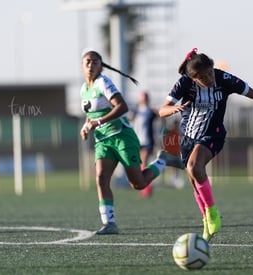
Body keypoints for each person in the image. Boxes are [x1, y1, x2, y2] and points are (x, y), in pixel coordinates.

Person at [158, 48, 253, 241]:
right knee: (194, 179)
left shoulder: (224, 79)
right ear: (194, 78)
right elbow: (161, 110)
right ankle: (206, 220)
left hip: (212, 134)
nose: (209, 79)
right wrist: (173, 108)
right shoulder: (184, 83)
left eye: (210, 73)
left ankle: (213, 213)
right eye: (203, 77)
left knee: (194, 166)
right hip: (188, 137)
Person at [79, 48, 184, 235]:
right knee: (101, 178)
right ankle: (109, 223)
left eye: (95, 62)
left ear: (101, 66)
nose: (91, 65)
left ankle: (163, 161)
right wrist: (87, 126)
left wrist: (98, 121)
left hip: (122, 137)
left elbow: (122, 106)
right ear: (82, 66)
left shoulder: (103, 82)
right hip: (103, 141)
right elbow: (90, 115)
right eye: (87, 61)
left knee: (138, 183)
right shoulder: (83, 90)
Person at [130, 91, 159, 198]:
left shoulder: (150, 111)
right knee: (138, 165)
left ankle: (146, 188)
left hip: (147, 141)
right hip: (137, 141)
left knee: (143, 164)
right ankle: (144, 186)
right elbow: (129, 119)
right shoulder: (136, 110)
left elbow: (161, 116)